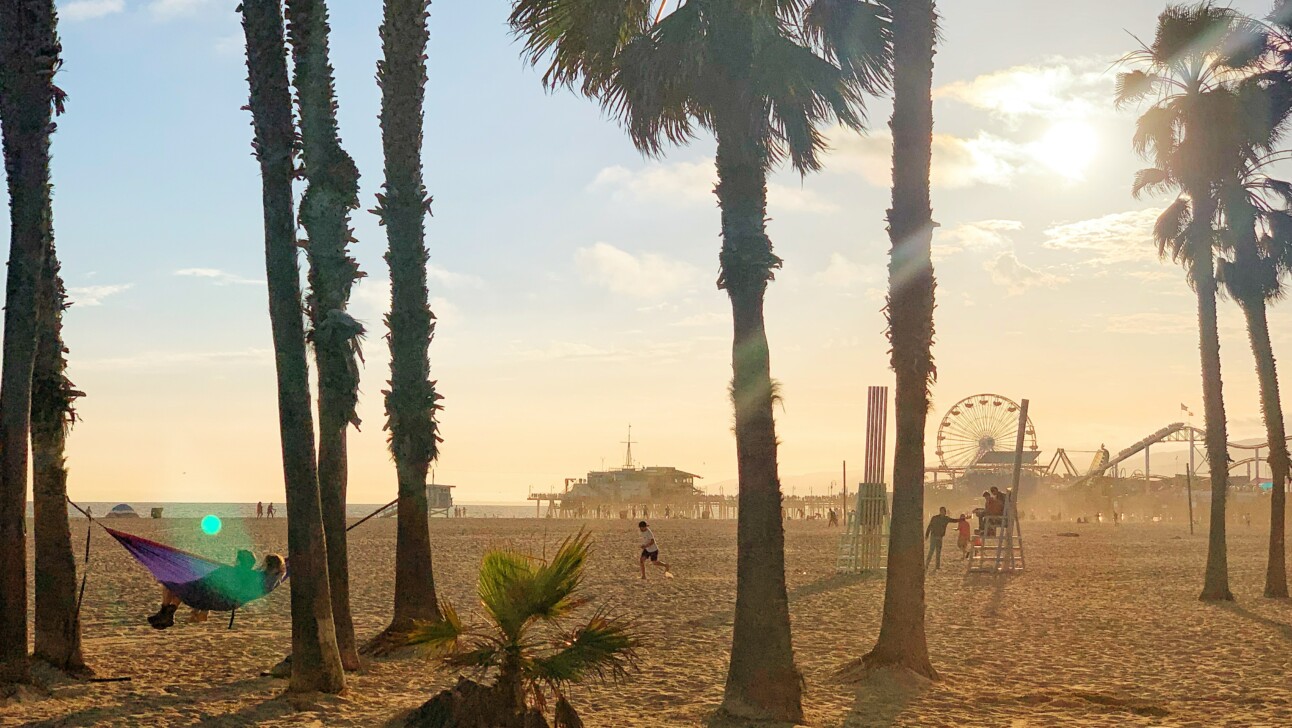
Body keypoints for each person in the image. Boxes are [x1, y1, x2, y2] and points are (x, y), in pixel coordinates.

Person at [148, 551, 286, 629]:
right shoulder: (270, 579)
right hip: (225, 601)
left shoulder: (249, 576)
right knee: (179, 585)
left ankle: (166, 612)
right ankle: (167, 613)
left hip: (217, 599)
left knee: (172, 584)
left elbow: (214, 580)